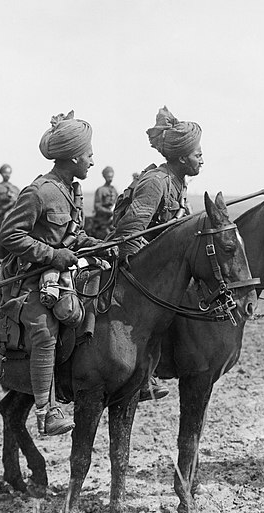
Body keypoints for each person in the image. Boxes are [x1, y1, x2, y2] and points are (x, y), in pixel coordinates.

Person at [0, 110, 101, 436]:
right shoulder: (39, 191)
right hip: (30, 278)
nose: (92, 161)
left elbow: (74, 235)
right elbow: (10, 235)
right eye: (88, 154)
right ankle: (46, 411)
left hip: (64, 276)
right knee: (45, 331)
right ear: (72, 156)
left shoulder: (73, 190)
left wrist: (103, 245)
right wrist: (53, 254)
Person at [107, 105, 203, 399]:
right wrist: (150, 276)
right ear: (182, 156)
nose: (202, 159)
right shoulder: (156, 182)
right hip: (136, 268)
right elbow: (130, 233)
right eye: (197, 154)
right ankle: (143, 373)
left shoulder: (178, 183)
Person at [91, 166, 118, 239]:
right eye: (108, 176)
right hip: (102, 221)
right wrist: (109, 212)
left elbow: (118, 202)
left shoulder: (114, 189)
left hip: (113, 220)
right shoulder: (100, 190)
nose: (110, 178)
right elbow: (97, 207)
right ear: (104, 177)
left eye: (111, 176)